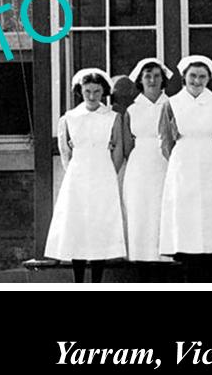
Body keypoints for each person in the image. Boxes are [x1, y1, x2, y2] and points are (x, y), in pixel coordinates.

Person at [158, 55, 212, 278]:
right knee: (186, 214)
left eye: (202, 76)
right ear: (184, 77)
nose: (197, 81)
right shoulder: (172, 103)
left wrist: (209, 154)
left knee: (210, 213)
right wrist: (181, 158)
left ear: (209, 78)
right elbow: (166, 140)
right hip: (183, 162)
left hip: (210, 161)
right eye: (193, 76)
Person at [45, 68, 126, 283]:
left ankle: (97, 281)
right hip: (78, 177)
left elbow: (118, 148)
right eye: (87, 91)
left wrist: (109, 173)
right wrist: (75, 173)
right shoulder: (70, 118)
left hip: (103, 175)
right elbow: (65, 151)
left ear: (103, 92)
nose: (92, 96)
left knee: (99, 226)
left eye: (97, 91)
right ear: (80, 91)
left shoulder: (112, 117)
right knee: (78, 227)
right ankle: (78, 281)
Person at [121, 58, 173, 277]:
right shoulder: (132, 110)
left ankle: (164, 261)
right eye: (147, 76)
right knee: (140, 211)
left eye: (156, 76)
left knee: (163, 209)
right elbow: (126, 143)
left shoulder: (172, 104)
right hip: (139, 166)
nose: (152, 80)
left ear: (163, 80)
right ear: (140, 80)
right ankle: (141, 264)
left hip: (165, 163)